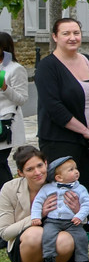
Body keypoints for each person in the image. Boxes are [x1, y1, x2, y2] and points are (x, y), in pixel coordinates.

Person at [34, 18, 89, 204]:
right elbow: (54, 107)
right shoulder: (47, 67)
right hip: (60, 141)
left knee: (84, 192)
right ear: (55, 37)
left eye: (76, 33)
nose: (72, 38)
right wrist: (86, 131)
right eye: (66, 33)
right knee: (64, 197)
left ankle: (82, 227)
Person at [4, 147, 80, 262]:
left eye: (40, 166)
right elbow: (5, 233)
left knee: (66, 239)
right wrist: (37, 214)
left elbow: (81, 223)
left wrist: (78, 211)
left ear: (46, 164)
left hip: (57, 242)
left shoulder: (62, 182)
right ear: (20, 173)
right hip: (25, 246)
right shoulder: (9, 189)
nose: (38, 172)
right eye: (30, 169)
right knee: (36, 234)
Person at [31, 156, 89, 262]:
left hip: (71, 221)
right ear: (59, 177)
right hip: (52, 221)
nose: (76, 171)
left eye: (76, 168)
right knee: (48, 236)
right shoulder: (47, 188)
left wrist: (79, 216)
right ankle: (49, 259)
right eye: (71, 170)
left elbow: (87, 204)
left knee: (81, 237)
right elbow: (37, 202)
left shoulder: (80, 189)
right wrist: (36, 216)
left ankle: (82, 261)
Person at [0, 32, 29, 186]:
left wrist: (5, 87)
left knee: (0, 162)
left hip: (5, 123)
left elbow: (22, 99)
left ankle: (8, 197)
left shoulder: (15, 69)